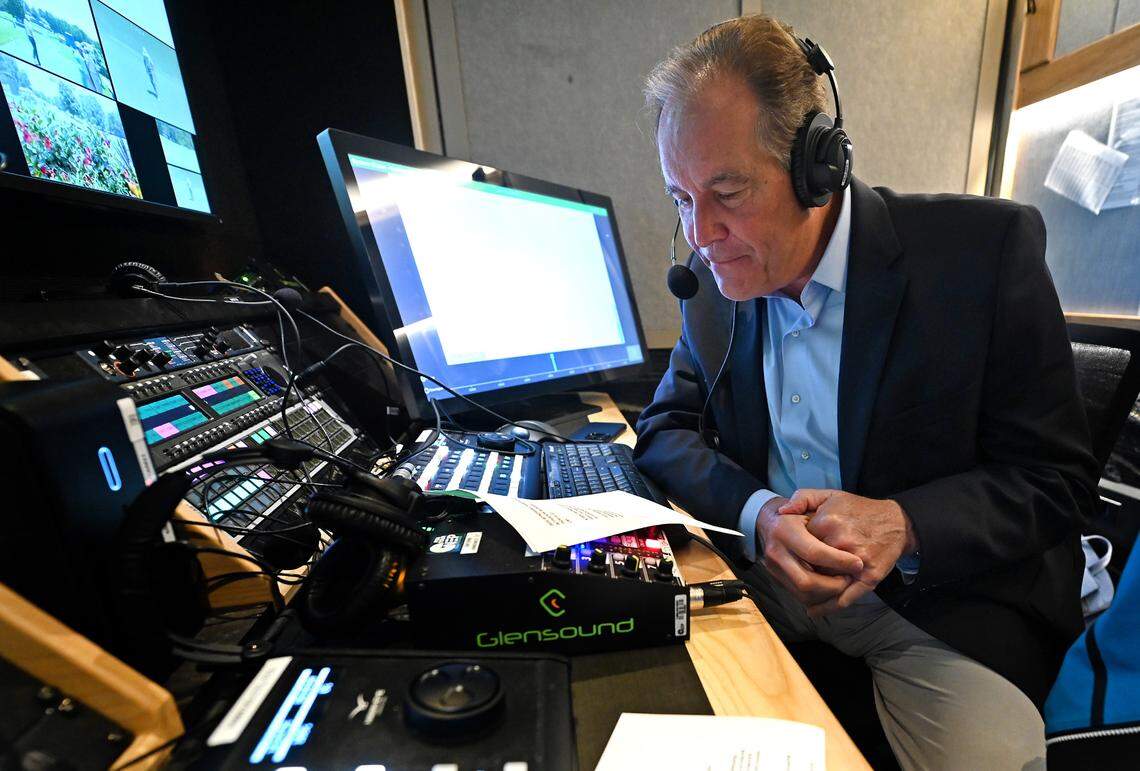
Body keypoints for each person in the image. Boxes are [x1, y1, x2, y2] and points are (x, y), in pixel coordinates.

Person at [633, 15, 1099, 770]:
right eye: (681, 198)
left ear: (818, 165)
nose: (702, 232)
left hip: (944, 604)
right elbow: (663, 430)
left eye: (726, 190)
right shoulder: (714, 292)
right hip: (772, 581)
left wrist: (904, 522)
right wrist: (761, 518)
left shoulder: (982, 256)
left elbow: (1057, 478)